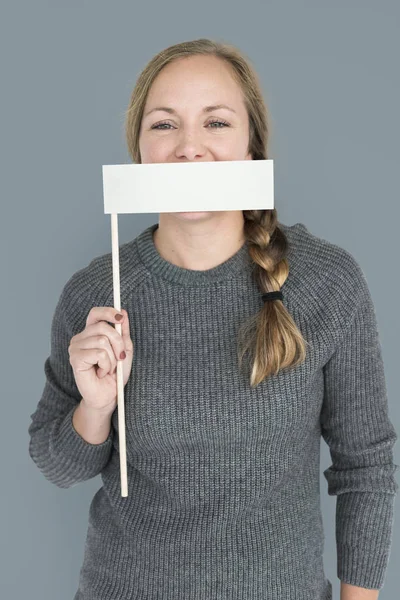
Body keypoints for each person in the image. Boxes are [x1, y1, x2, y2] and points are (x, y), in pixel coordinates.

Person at [28, 38, 399, 600]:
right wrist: (96, 406)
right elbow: (59, 465)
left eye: (217, 123)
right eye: (164, 125)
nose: (189, 149)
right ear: (140, 154)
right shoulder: (96, 293)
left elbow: (367, 468)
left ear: (252, 149)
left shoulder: (328, 282)